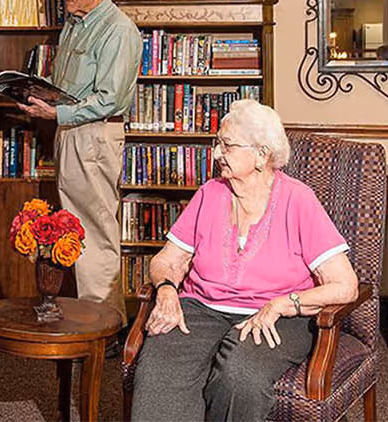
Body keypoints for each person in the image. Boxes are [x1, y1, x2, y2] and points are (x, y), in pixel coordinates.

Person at [131, 99, 360, 422]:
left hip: (278, 318)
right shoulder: (209, 194)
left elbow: (345, 286)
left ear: (262, 155)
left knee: (240, 375)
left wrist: (283, 304)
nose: (216, 153)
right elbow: (168, 260)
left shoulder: (299, 200)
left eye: (227, 145)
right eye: (217, 143)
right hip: (202, 307)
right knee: (159, 370)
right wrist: (167, 289)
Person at [19, 0, 142, 323]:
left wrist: (57, 112)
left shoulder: (118, 30)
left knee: (95, 230)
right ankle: (87, 317)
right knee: (74, 226)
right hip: (70, 132)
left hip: (93, 135)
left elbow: (110, 98)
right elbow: (70, 85)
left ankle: (104, 324)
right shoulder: (76, 23)